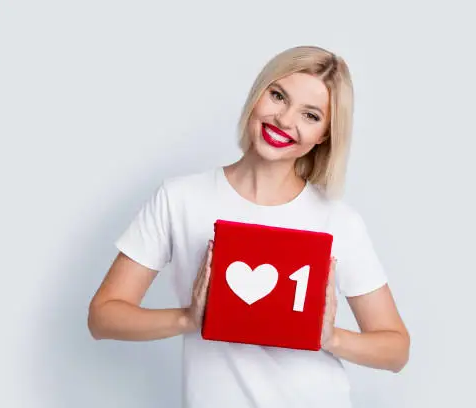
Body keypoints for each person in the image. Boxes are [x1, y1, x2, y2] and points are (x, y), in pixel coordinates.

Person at [88, 45, 410, 408]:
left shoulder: (338, 221)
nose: (285, 121)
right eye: (278, 96)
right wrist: (188, 318)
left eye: (310, 115)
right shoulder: (180, 199)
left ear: (324, 136)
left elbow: (396, 349)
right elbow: (103, 317)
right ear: (257, 95)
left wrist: (329, 337)